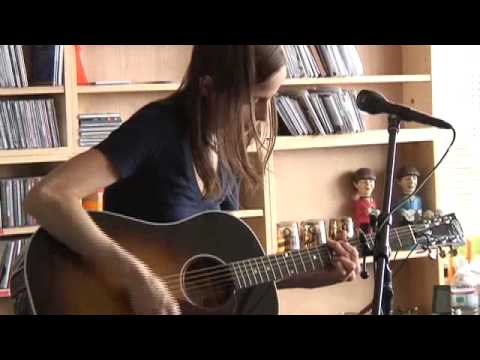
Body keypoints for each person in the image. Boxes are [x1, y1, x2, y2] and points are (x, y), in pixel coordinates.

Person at [24, 45, 359, 315]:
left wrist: (306, 275)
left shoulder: (226, 152)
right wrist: (137, 278)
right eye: (255, 99)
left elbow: (227, 273)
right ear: (208, 87)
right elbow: (47, 196)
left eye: (272, 98)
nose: (263, 115)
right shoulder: (155, 129)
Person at [352, 168, 379, 234]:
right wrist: (375, 212)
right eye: (364, 182)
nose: (368, 184)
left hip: (373, 224)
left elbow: (373, 212)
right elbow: (367, 211)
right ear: (355, 184)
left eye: (371, 181)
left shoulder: (372, 200)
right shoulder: (359, 202)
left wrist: (374, 212)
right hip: (364, 225)